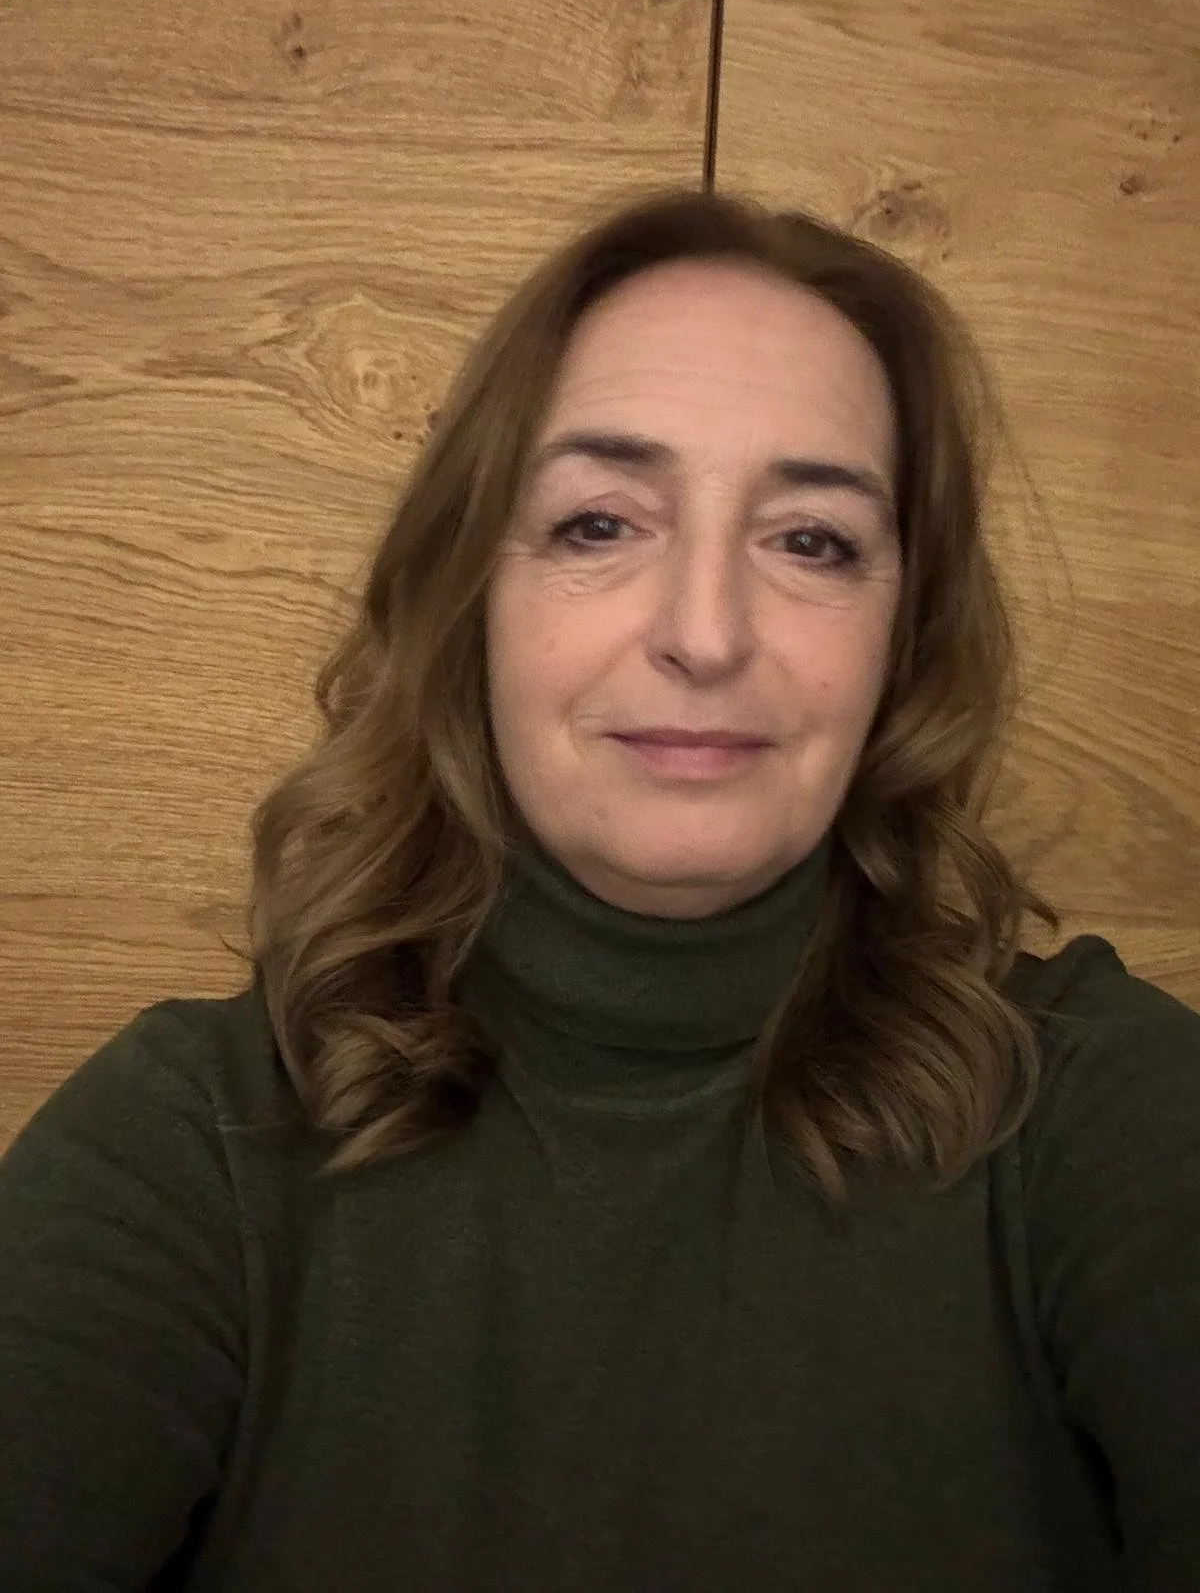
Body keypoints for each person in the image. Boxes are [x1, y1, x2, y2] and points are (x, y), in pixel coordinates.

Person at [0, 188, 1197, 1593]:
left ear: (903, 637)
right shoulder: (190, 1142)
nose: (705, 631)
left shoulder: (1103, 1108)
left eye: (811, 540)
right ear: (469, 600)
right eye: (598, 524)